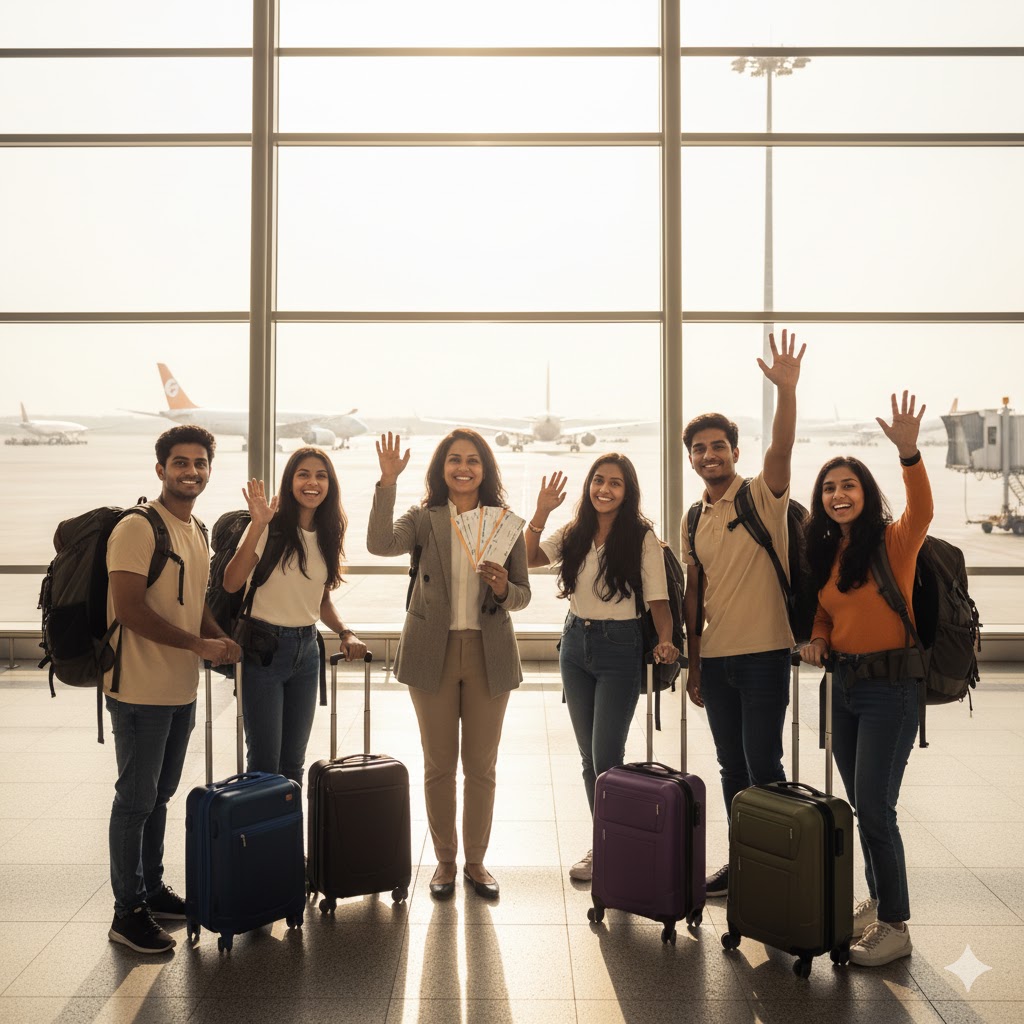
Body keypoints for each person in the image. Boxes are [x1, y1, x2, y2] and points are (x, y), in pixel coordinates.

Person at [798, 390, 932, 967]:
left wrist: (909, 454)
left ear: (866, 492)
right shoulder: (832, 553)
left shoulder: (894, 542)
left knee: (877, 809)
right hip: (845, 689)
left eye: (848, 485)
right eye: (829, 488)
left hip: (891, 690)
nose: (838, 495)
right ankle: (878, 904)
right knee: (860, 803)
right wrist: (820, 637)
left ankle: (896, 924)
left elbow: (922, 510)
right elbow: (830, 609)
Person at [367, 429, 531, 899]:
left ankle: (476, 862)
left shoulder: (503, 523)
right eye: (454, 459)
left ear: (486, 469)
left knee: (481, 766)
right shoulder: (424, 517)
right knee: (439, 765)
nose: (464, 467)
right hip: (429, 649)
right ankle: (443, 862)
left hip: (488, 652)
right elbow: (380, 543)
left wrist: (502, 587)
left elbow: (522, 594)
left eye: (473, 460)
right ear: (442, 468)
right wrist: (387, 482)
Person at [105, 425, 241, 954]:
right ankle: (127, 911)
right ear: (160, 469)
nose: (192, 472)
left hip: (180, 690)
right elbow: (130, 609)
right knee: (135, 800)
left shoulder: (197, 528)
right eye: (180, 463)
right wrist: (197, 645)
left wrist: (213, 635)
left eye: (201, 463)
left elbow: (193, 600)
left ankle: (152, 889)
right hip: (138, 688)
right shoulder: (138, 528)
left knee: (159, 796)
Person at [681, 329, 805, 898]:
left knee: (765, 764)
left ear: (734, 450)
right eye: (699, 450)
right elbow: (693, 593)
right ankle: (742, 864)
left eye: (718, 446)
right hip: (719, 657)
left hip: (764, 656)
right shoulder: (692, 518)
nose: (709, 456)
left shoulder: (760, 496)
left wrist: (787, 390)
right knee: (731, 768)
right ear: (692, 460)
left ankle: (778, 866)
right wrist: (694, 663)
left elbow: (781, 448)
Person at [525, 456, 679, 883]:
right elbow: (530, 556)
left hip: (620, 647)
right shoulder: (575, 532)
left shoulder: (641, 537)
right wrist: (541, 511)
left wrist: (665, 640)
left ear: (628, 490)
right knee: (587, 758)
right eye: (598, 480)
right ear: (589, 486)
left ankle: (617, 844)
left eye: (615, 483)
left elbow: (658, 602)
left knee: (606, 757)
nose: (604, 489)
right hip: (575, 643)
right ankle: (607, 842)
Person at [222, 446, 367, 789]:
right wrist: (258, 524)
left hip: (307, 650)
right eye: (303, 474)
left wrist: (346, 632)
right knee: (264, 763)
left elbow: (322, 600)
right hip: (263, 649)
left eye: (321, 475)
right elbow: (231, 582)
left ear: (330, 484)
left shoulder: (329, 532)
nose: (312, 482)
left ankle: (286, 841)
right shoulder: (268, 527)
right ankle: (257, 842)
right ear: (290, 482)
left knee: (293, 764)